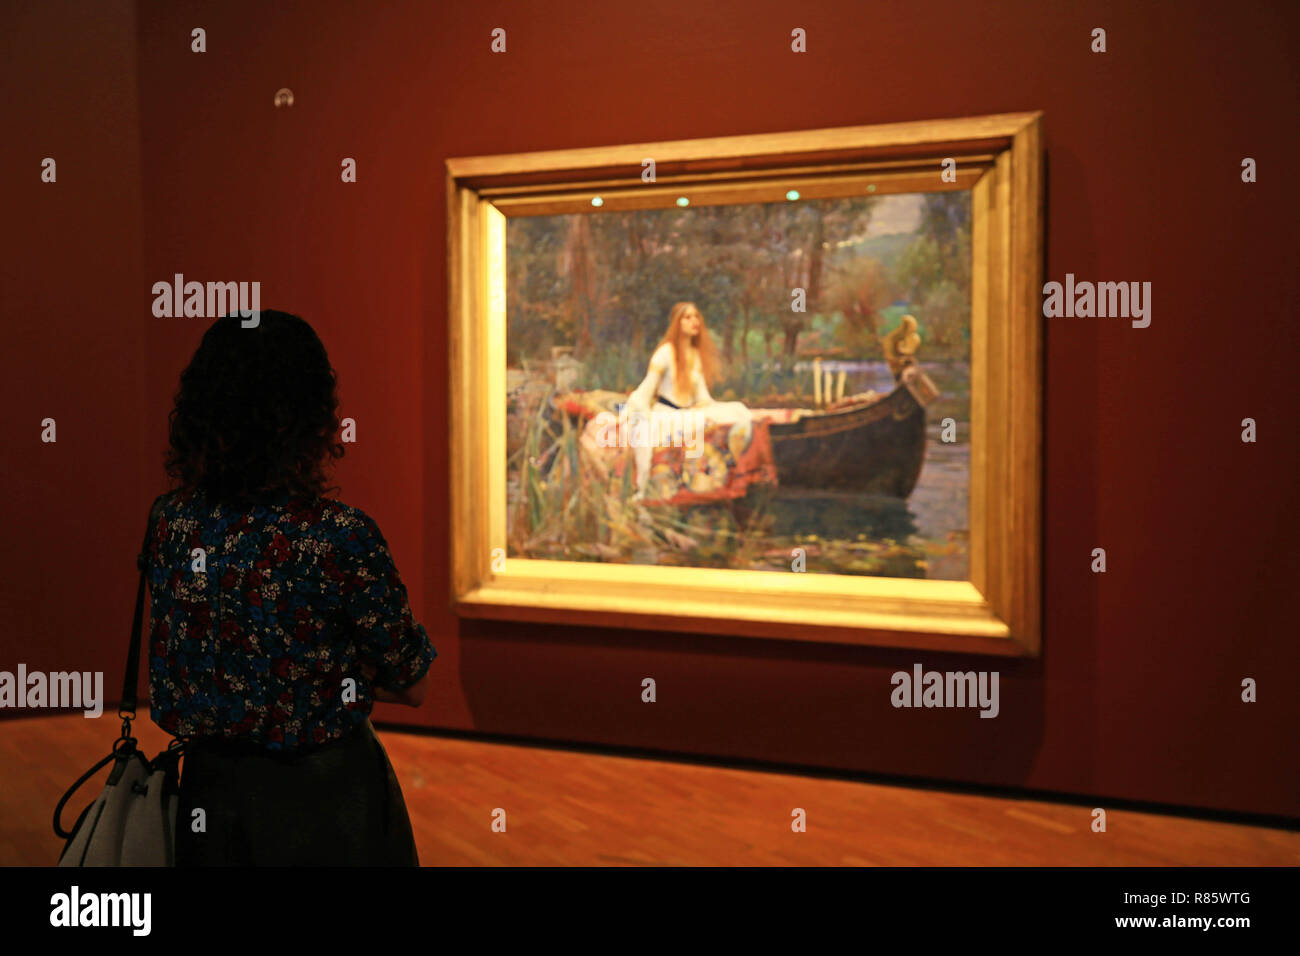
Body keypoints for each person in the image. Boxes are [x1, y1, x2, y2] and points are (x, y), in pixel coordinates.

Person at [147, 310, 436, 866]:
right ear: (312, 415)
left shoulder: (169, 523)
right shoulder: (337, 535)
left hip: (210, 797)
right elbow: (413, 681)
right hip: (327, 806)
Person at [624, 302, 752, 498]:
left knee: (738, 409)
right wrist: (644, 415)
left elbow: (703, 398)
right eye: (688, 317)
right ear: (677, 323)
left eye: (696, 316)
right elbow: (646, 391)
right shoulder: (665, 352)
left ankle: (737, 477)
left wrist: (706, 408)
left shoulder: (694, 355)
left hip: (687, 414)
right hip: (666, 416)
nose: (694, 321)